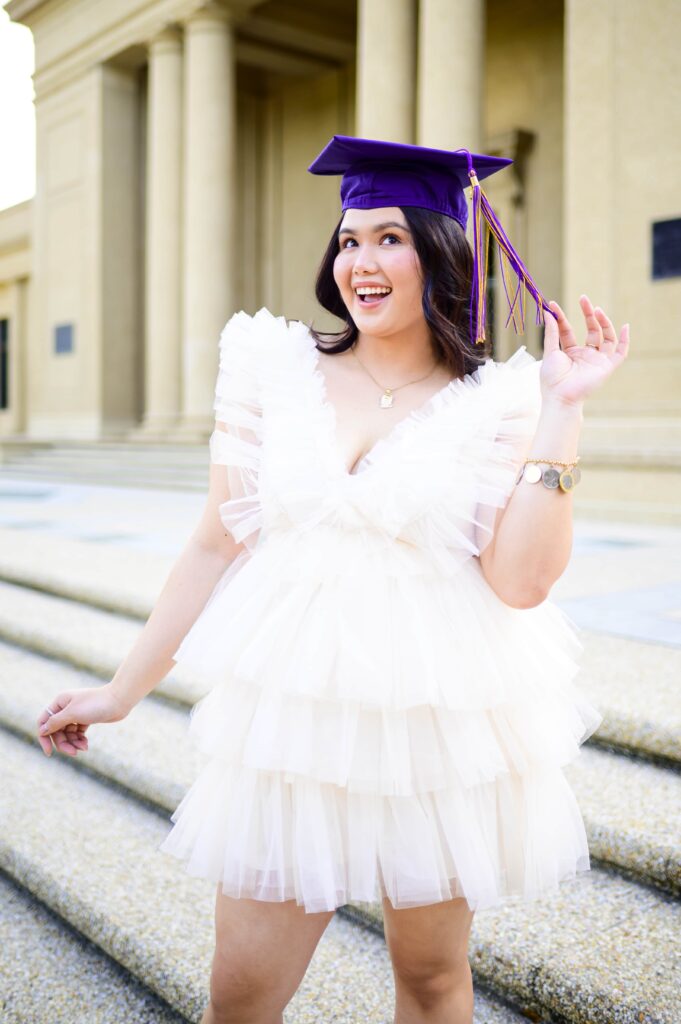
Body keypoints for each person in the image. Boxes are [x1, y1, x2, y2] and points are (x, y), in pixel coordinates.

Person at [36, 134, 630, 1024]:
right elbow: (212, 544)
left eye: (390, 238)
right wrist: (124, 690)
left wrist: (562, 412)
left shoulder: (500, 403)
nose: (361, 261)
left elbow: (519, 582)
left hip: (433, 726)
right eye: (349, 240)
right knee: (239, 998)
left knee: (430, 982)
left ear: (441, 250)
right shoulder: (273, 372)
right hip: (295, 722)